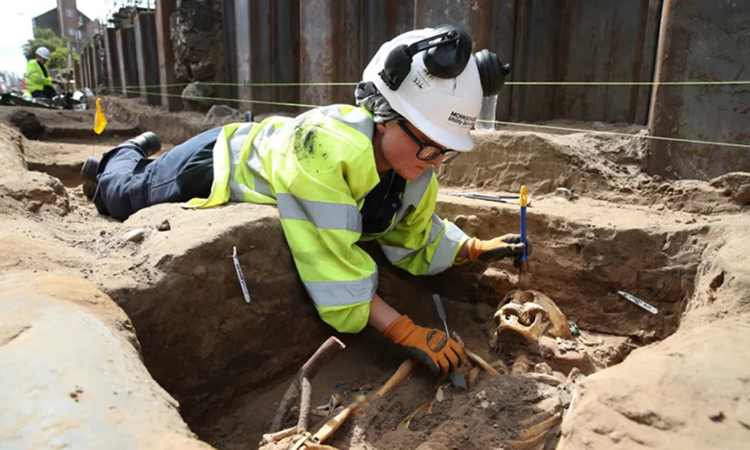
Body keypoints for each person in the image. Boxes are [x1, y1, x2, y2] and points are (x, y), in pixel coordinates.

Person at [81, 27, 529, 378]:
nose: (435, 161)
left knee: (131, 188)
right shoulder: (323, 151)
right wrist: (403, 330)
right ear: (386, 116)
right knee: (123, 196)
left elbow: (414, 235)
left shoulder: (416, 169)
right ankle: (121, 156)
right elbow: (331, 265)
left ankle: (136, 154)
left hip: (249, 152)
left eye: (446, 151)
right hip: (216, 161)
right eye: (429, 145)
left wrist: (472, 248)